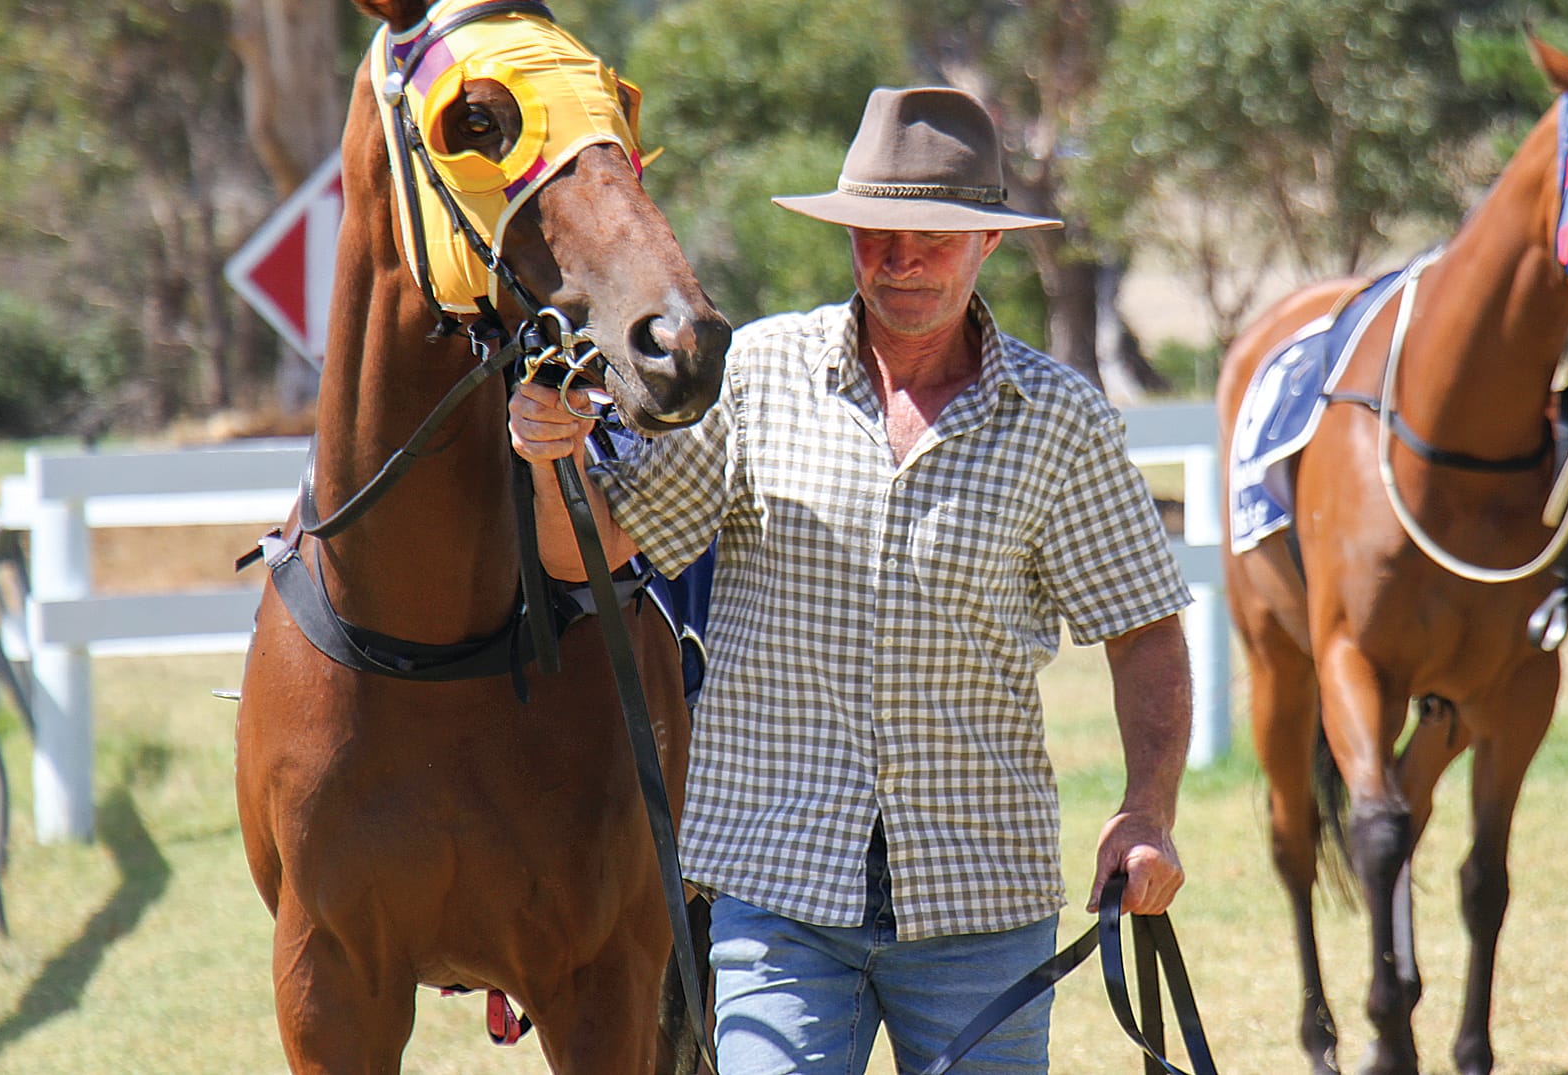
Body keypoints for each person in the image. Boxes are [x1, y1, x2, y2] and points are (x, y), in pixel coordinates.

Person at [509, 85, 1194, 1075]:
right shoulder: (752, 376)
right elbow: (587, 553)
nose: (900, 261)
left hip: (978, 897)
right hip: (775, 892)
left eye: (931, 237)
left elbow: (1143, 629)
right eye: (875, 234)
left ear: (987, 245)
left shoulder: (1060, 420)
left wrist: (1146, 812)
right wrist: (552, 459)